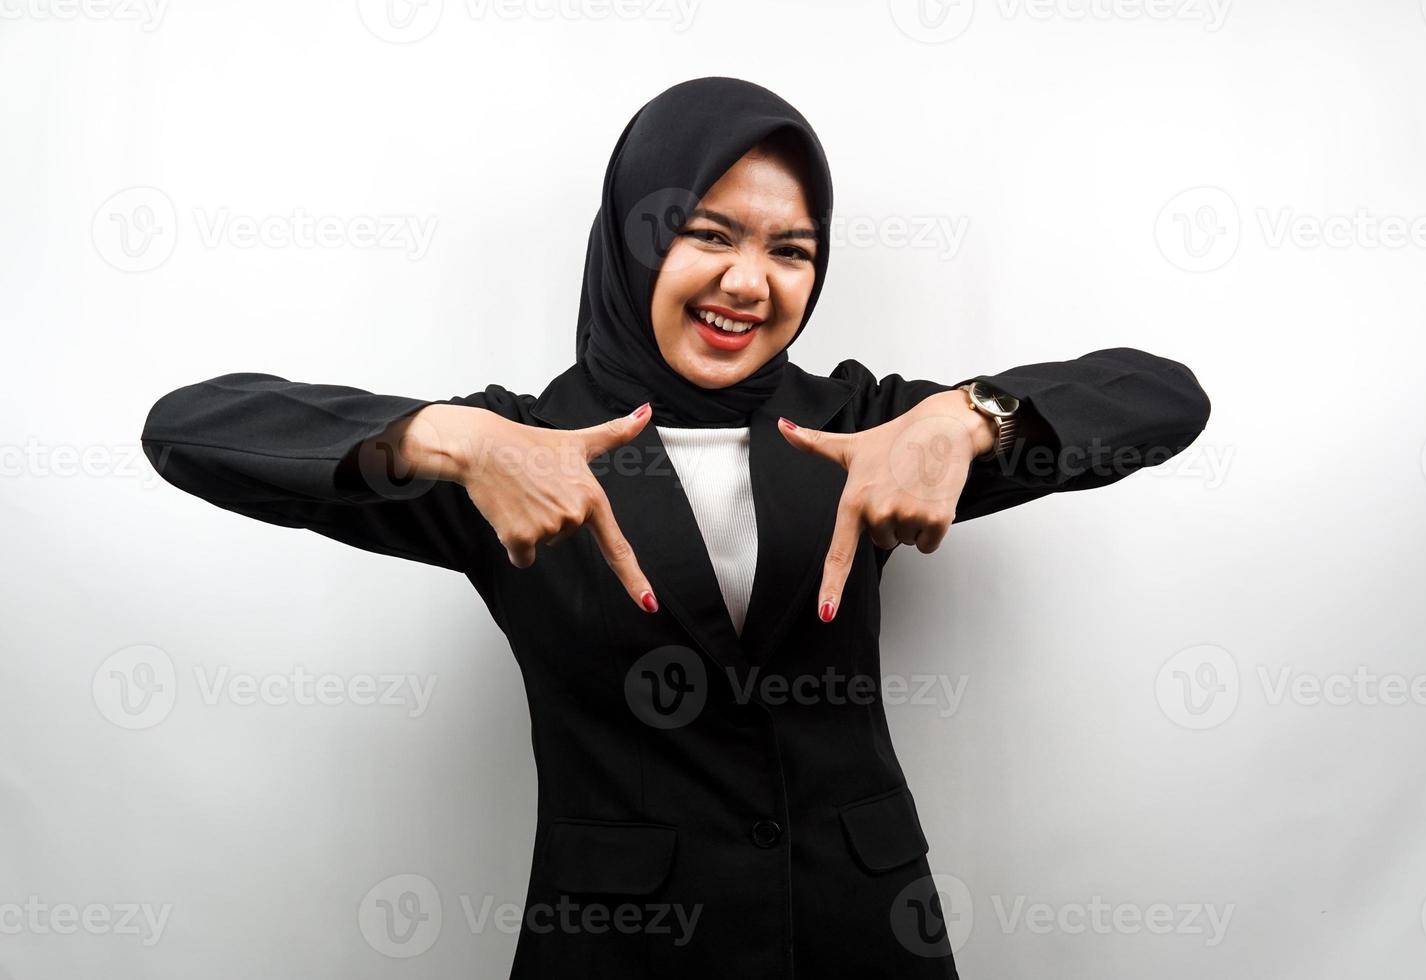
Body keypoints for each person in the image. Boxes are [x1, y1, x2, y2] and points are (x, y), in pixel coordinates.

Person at [140, 76, 1210, 979]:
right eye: (708, 233)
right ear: (632, 240)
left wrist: (970, 416)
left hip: (867, 934)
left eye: (790, 249)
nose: (750, 280)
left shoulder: (865, 424)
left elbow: (1165, 397)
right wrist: (446, 437)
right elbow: (187, 431)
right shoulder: (520, 450)